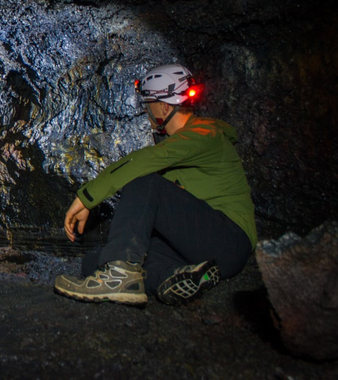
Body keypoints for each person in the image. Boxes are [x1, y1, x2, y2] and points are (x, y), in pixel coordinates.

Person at [54, 63, 257, 306]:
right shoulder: (180, 145)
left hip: (230, 241)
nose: (146, 111)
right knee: (95, 261)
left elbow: (145, 161)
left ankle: (121, 274)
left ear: (162, 106)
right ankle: (173, 277)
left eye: (148, 103)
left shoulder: (204, 134)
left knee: (143, 180)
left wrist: (88, 196)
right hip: (199, 250)